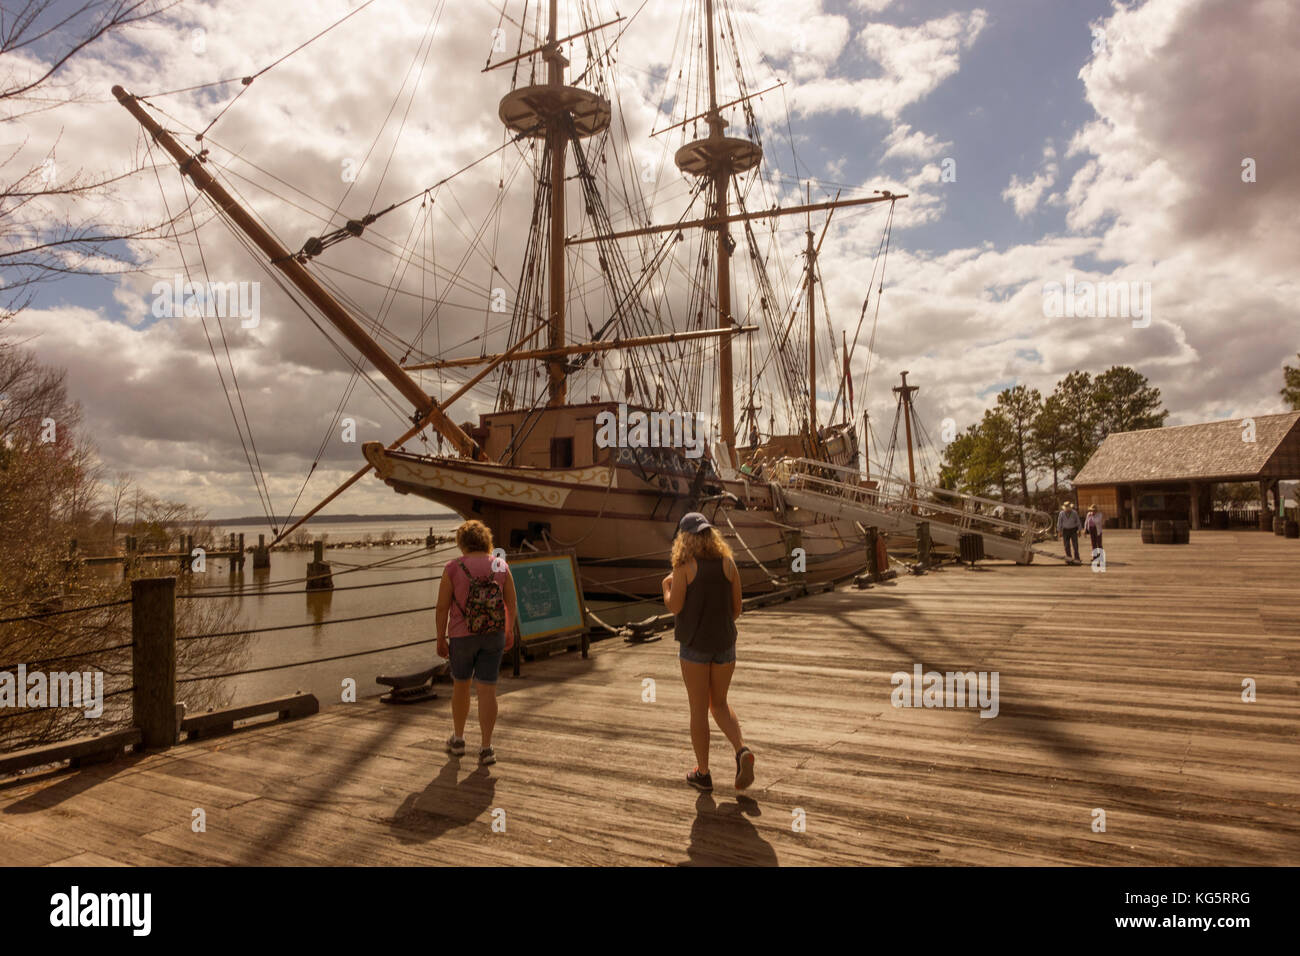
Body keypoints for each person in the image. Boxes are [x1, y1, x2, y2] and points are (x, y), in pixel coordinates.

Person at [662, 511, 753, 793]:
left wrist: (664, 587)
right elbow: (736, 608)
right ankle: (741, 750)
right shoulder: (728, 564)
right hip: (725, 645)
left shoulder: (683, 565)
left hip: (695, 647)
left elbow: (675, 606)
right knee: (721, 704)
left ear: (684, 538)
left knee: (699, 710)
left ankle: (703, 773)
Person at [436, 520, 518, 766]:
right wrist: (509, 630)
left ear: (461, 543)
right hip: (493, 634)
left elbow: (442, 607)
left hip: (462, 636)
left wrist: (440, 637)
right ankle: (486, 748)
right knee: (487, 691)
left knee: (461, 687)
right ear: (486, 540)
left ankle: (459, 740)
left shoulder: (453, 567)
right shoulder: (500, 565)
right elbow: (511, 603)